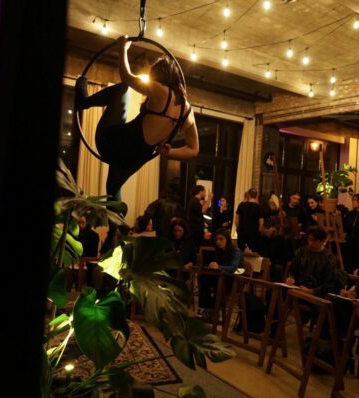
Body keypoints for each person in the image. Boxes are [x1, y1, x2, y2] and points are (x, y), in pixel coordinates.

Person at [75, 36, 199, 199]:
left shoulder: (160, 89)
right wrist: (169, 153)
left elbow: (126, 77)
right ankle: (118, 217)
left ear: (160, 75)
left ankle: (84, 102)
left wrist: (123, 49)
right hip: (135, 159)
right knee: (113, 190)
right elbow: (193, 150)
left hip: (112, 143)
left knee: (123, 89)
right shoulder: (188, 111)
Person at [286, 226, 343, 297]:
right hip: (297, 288)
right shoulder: (301, 252)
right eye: (309, 239)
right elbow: (292, 270)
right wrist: (291, 278)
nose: (310, 243)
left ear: (322, 241)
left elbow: (330, 284)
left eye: (314, 241)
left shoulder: (329, 258)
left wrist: (312, 291)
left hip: (316, 294)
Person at [198, 229, 243, 318]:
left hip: (233, 280)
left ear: (227, 239)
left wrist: (219, 267)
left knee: (218, 283)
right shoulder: (218, 251)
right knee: (203, 278)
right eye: (216, 239)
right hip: (221, 277)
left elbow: (234, 268)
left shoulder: (236, 251)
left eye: (221, 239)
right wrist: (210, 265)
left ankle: (214, 309)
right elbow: (211, 263)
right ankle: (208, 307)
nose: (218, 242)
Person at [257, 217, 294, 282]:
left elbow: (284, 259)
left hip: (276, 265)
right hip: (265, 263)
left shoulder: (282, 240)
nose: (266, 233)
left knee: (277, 268)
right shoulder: (264, 239)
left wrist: (272, 262)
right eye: (265, 231)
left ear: (273, 228)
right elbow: (261, 253)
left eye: (267, 230)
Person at [186, 185, 211, 250]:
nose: (205, 194)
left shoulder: (195, 201)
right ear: (200, 192)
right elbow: (203, 210)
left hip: (195, 229)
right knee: (197, 247)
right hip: (195, 230)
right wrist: (209, 197)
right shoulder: (195, 201)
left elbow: (198, 214)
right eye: (204, 192)